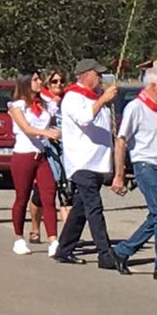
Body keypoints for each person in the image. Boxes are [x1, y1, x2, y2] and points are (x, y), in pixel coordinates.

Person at [110, 67, 157, 282]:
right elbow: (121, 141)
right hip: (145, 167)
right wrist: (119, 174)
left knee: (156, 218)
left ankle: (121, 252)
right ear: (151, 86)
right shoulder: (136, 108)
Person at [53, 58, 118, 268]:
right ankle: (105, 253)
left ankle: (64, 248)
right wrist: (102, 101)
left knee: (80, 207)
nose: (100, 78)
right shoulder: (73, 97)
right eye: (97, 74)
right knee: (94, 207)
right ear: (86, 75)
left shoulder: (95, 97)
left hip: (98, 162)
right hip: (81, 162)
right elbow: (84, 119)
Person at [7, 70, 60, 257]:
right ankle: (19, 238)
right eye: (35, 79)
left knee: (49, 194)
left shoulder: (45, 104)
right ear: (25, 82)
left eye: (39, 79)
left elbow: (57, 112)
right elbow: (27, 128)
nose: (39, 82)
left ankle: (54, 240)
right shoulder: (17, 106)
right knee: (22, 197)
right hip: (23, 155)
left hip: (41, 155)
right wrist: (47, 133)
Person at [30, 67, 67, 243]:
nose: (59, 85)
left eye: (61, 81)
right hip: (46, 149)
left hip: (65, 149)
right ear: (47, 83)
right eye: (54, 81)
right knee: (41, 194)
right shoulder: (41, 100)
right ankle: (35, 227)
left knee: (66, 192)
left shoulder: (68, 99)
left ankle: (66, 238)